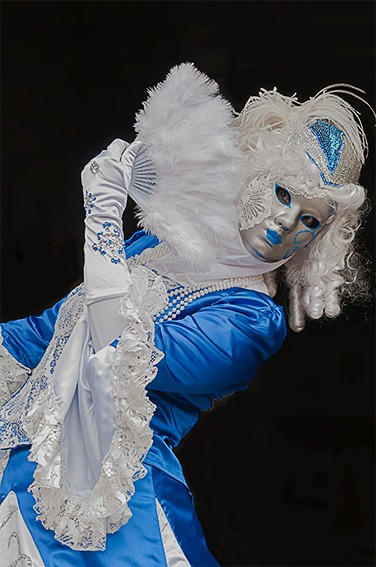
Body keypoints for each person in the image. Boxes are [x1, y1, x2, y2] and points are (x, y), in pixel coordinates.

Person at [0, 62, 372, 566]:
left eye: (309, 219)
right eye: (284, 194)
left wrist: (103, 219)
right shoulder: (155, 246)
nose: (288, 221)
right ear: (254, 180)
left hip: (113, 511)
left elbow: (116, 348)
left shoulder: (251, 319)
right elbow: (46, 333)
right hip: (20, 470)